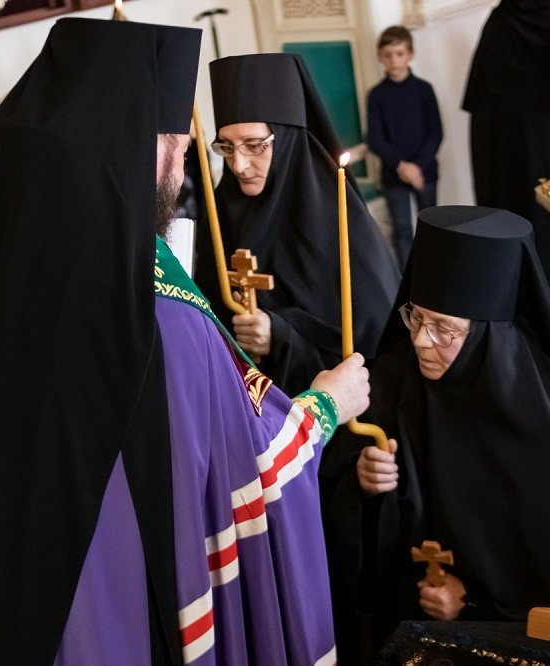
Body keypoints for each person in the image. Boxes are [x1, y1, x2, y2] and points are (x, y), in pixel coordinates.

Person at [0, 18, 370, 663]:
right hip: (117, 617)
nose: (185, 160)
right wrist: (325, 406)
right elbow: (242, 464)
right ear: (135, 147)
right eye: (177, 144)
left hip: (4, 606)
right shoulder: (155, 316)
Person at [355, 206, 550, 651]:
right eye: (416, 317)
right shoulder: (399, 383)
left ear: (487, 336)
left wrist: (474, 604)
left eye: (444, 329)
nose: (420, 341)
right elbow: (358, 517)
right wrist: (369, 484)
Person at [197, 52, 402, 664]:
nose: (239, 164)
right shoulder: (217, 215)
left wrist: (281, 336)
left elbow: (373, 351)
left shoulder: (333, 215)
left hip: (333, 462)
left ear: (285, 137)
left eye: (255, 146)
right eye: (227, 147)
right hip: (246, 454)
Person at [463, 0, 550, 300]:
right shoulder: (501, 18)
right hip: (510, 140)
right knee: (522, 203)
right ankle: (524, 282)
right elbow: (484, 90)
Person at [367, 25, 443, 266]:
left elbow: (436, 133)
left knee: (431, 227)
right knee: (402, 230)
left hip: (425, 170)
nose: (394, 60)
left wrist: (417, 167)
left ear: (411, 54)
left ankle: (432, 275)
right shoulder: (376, 95)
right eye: (388, 55)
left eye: (399, 53)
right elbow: (375, 139)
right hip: (393, 173)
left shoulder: (424, 90)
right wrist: (402, 167)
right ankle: (408, 280)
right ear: (380, 57)